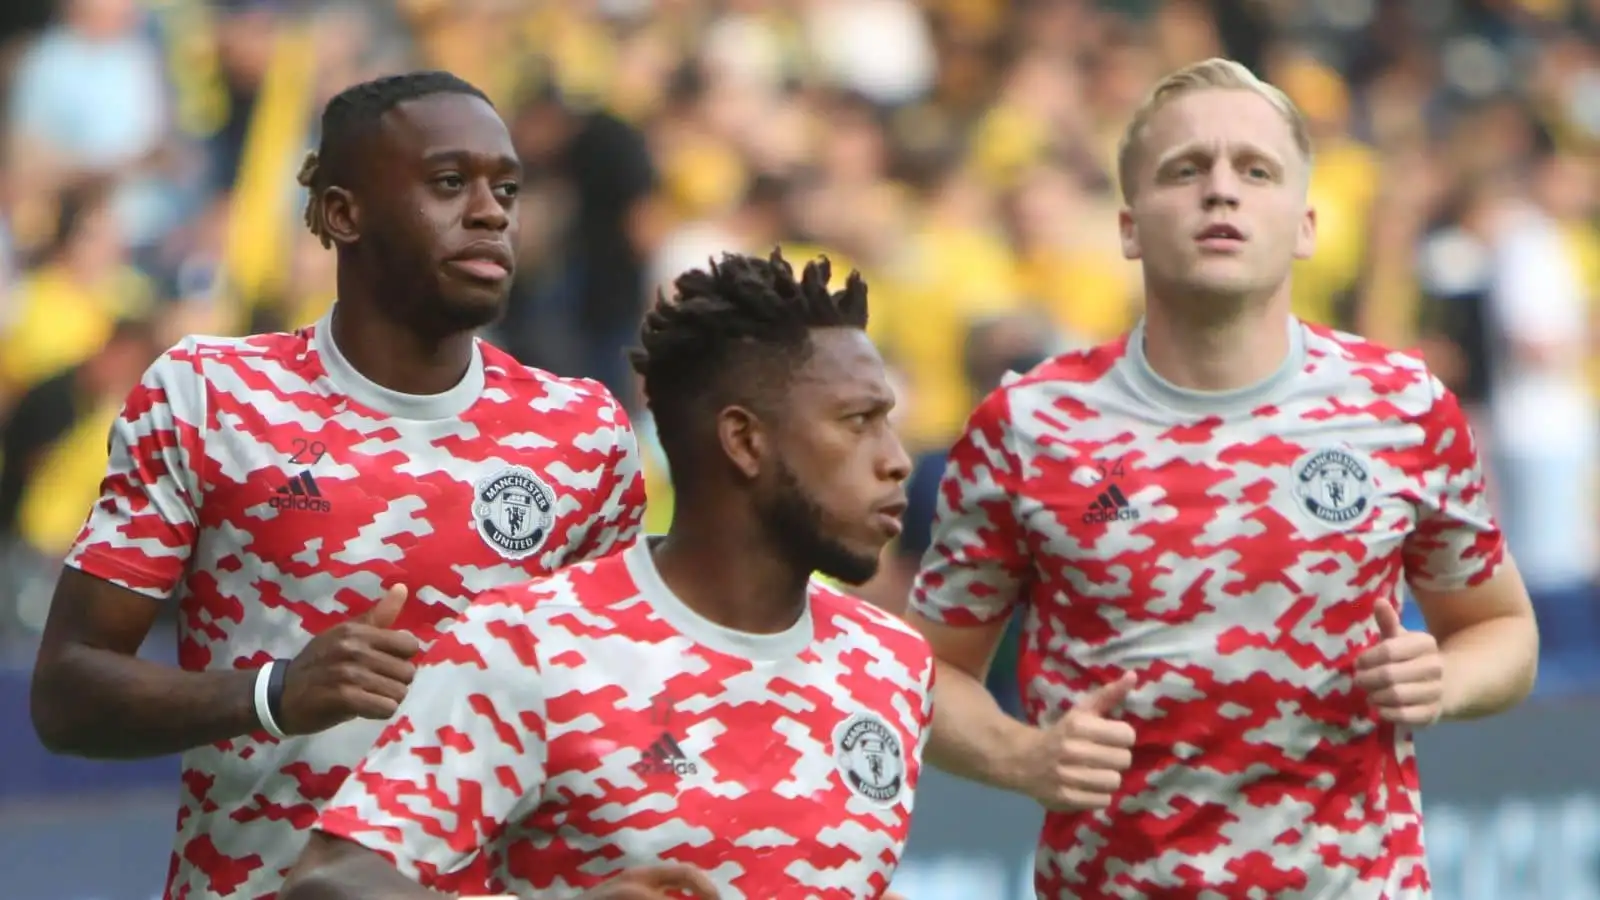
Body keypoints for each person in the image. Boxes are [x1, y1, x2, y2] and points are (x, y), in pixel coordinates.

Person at [907, 58, 1540, 899]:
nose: (1220, 191)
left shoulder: (1403, 407)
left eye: (1255, 170)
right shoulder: (1026, 425)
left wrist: (1443, 679)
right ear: (1129, 227)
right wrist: (1021, 754)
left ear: (1306, 223)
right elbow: (924, 671)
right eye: (1184, 170)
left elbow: (1505, 632)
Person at [29, 70, 646, 900]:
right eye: (449, 183)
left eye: (507, 187)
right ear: (344, 212)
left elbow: (618, 729)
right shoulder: (210, 396)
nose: (492, 212)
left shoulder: (582, 433)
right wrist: (274, 693)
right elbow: (67, 691)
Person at [278, 250, 929, 900]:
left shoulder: (893, 664)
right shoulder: (530, 643)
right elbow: (327, 883)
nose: (897, 460)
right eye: (859, 422)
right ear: (745, 441)